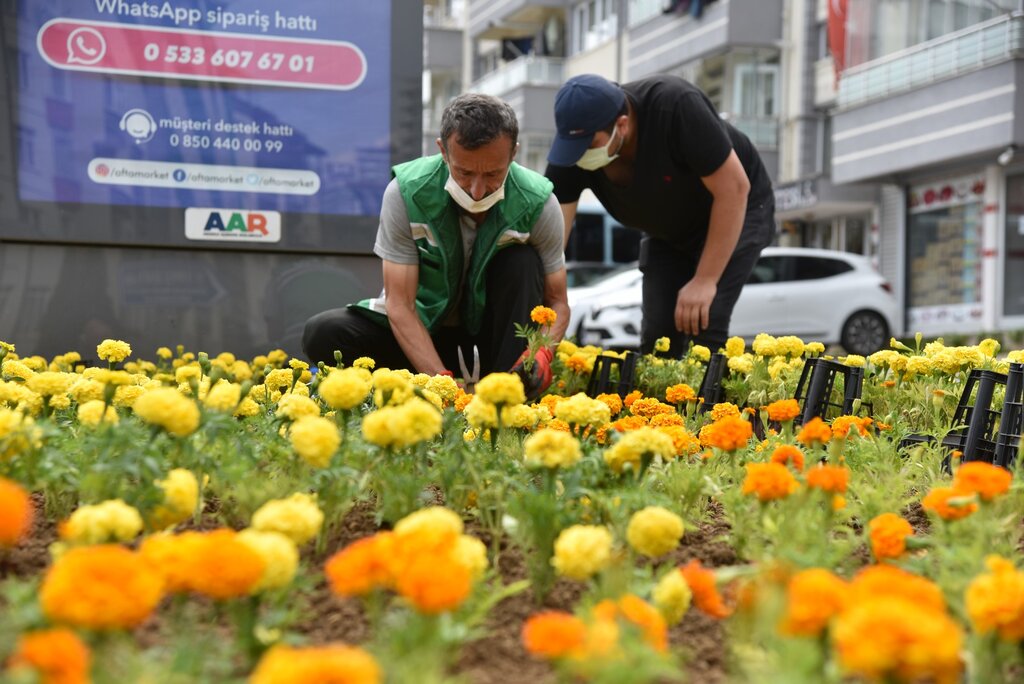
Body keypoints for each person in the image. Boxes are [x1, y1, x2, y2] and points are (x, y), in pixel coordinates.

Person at [303, 93, 569, 393]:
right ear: (443, 150)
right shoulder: (407, 193)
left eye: (493, 174)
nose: (477, 191)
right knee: (324, 332)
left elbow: (557, 302)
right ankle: (409, 393)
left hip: (493, 343)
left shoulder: (539, 202)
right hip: (421, 337)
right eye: (464, 172)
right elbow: (400, 305)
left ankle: (507, 396)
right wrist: (443, 385)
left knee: (522, 261)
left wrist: (542, 354)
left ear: (513, 154)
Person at [545, 73, 775, 355]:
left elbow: (734, 190)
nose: (579, 156)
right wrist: (551, 301)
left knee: (704, 319)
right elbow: (553, 237)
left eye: (590, 146)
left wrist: (704, 280)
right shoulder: (574, 146)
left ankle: (710, 399)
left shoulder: (675, 106)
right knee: (659, 337)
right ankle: (660, 400)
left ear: (622, 125)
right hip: (668, 231)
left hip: (738, 207)